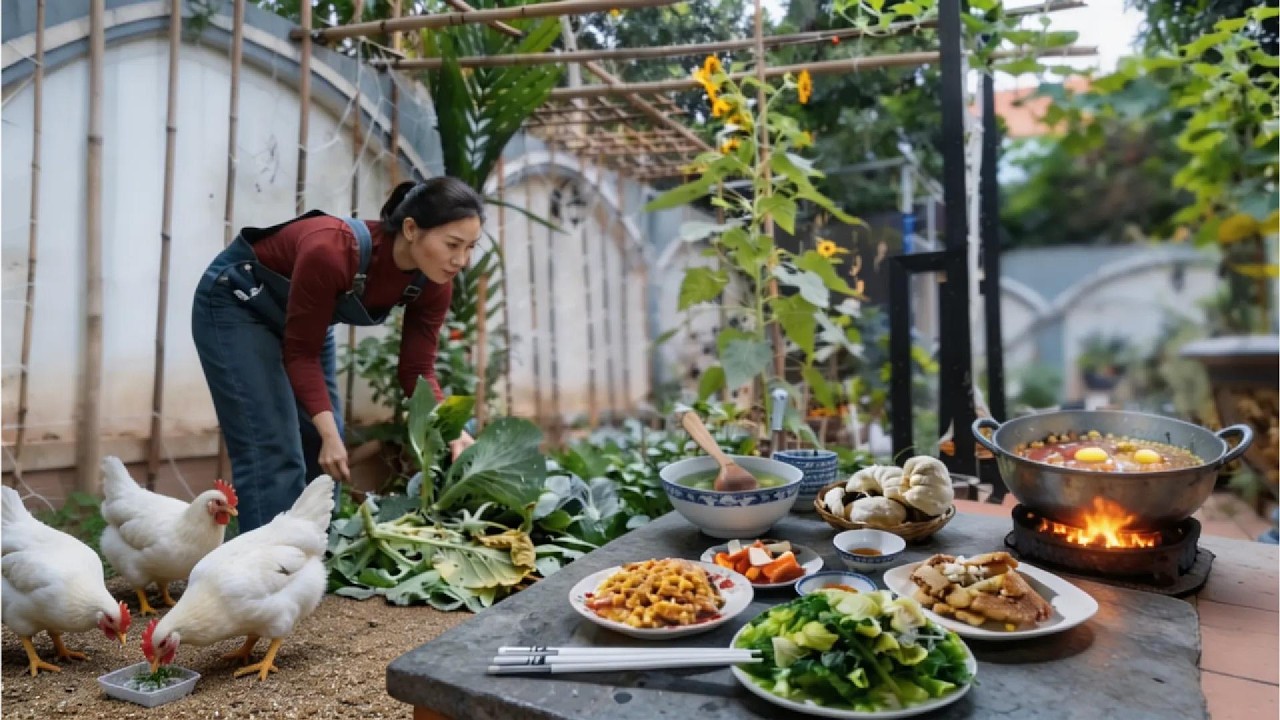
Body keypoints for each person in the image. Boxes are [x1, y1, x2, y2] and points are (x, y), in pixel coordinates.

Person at [192, 177, 484, 533]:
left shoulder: (433, 282)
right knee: (273, 447)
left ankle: (314, 554)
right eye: (453, 244)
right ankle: (269, 569)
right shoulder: (331, 250)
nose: (461, 260)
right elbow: (301, 354)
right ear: (411, 229)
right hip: (237, 304)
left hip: (305, 325)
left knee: (318, 440)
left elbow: (416, 370)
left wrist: (450, 430)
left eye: (470, 248)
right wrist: (333, 437)